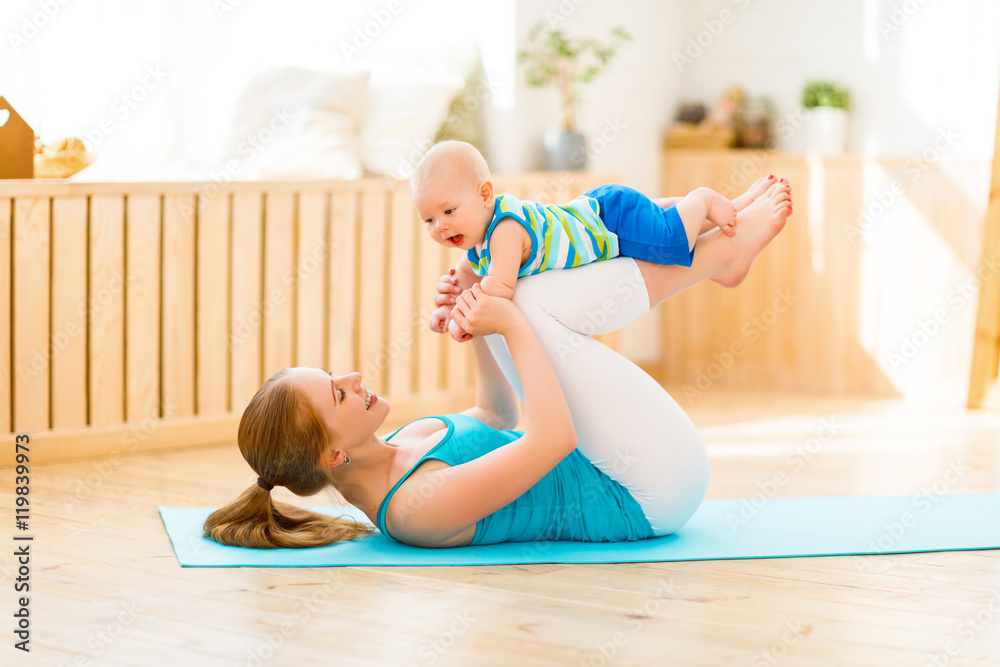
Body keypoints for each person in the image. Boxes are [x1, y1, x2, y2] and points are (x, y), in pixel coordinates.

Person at [202, 177, 793, 549]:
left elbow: (495, 411)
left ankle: (712, 249)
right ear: (334, 456)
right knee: (524, 303)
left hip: (614, 459)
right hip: (647, 492)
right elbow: (551, 439)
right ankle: (720, 254)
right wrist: (502, 316)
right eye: (337, 393)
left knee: (518, 296)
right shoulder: (411, 512)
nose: (352, 378)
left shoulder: (404, 441)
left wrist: (472, 314)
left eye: (334, 375)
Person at [411, 140, 788, 342]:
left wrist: (465, 315)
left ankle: (703, 199)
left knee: (672, 242)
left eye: (448, 211)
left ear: (485, 195)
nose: (440, 227)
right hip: (596, 211)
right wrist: (445, 308)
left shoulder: (505, 230)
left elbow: (497, 291)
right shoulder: (476, 245)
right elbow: (464, 280)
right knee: (660, 220)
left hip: (610, 219)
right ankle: (734, 209)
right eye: (428, 219)